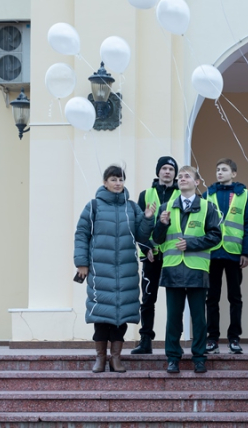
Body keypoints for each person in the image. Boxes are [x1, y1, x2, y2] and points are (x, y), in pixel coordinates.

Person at [74, 165, 154, 373]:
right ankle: (100, 358)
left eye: (121, 179)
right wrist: (81, 263)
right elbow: (82, 234)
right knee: (101, 315)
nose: (118, 183)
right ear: (105, 182)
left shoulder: (132, 207)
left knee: (121, 317)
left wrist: (146, 219)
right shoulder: (93, 207)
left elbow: (142, 237)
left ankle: (116, 358)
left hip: (126, 271)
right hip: (100, 271)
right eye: (113, 179)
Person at [151, 166, 221, 374]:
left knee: (199, 318)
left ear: (197, 182)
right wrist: (162, 225)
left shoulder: (208, 207)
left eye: (187, 176)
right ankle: (173, 357)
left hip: (197, 270)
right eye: (180, 176)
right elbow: (156, 239)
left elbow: (216, 236)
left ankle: (199, 357)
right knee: (173, 318)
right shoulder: (166, 207)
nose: (182, 179)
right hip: (172, 269)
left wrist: (191, 243)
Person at [202, 158, 248, 355]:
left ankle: (234, 338)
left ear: (233, 173)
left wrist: (246, 251)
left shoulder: (244, 195)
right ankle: (212, 338)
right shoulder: (207, 194)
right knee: (212, 298)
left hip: (234, 253)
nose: (219, 172)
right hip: (213, 252)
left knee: (235, 297)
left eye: (224, 169)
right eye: (217, 169)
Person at [131, 156, 180, 355]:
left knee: (175, 300)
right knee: (148, 299)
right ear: (158, 171)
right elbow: (139, 225)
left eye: (171, 169)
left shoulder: (181, 194)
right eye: (164, 168)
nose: (167, 172)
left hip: (174, 256)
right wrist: (145, 249)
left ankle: (173, 341)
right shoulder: (146, 194)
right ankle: (145, 340)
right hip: (151, 255)